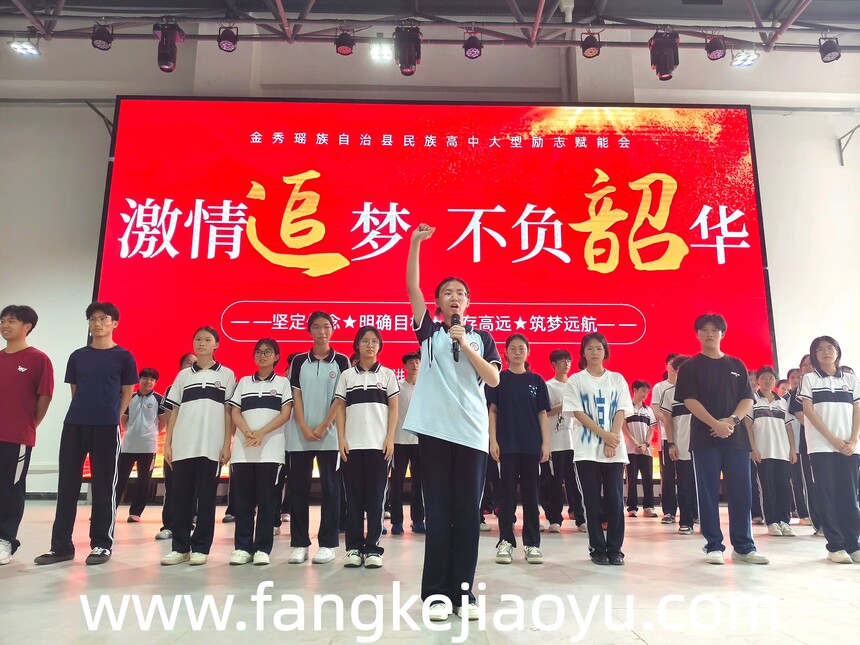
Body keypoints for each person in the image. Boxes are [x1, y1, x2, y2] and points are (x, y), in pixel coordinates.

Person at [403, 223, 501, 622]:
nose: (454, 297)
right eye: (447, 293)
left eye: (460, 292)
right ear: (438, 304)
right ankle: (436, 596)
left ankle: (464, 593)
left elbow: (493, 378)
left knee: (467, 517)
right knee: (439, 515)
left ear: (468, 302)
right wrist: (415, 244)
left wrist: (464, 343)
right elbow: (412, 287)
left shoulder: (481, 338)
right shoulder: (428, 333)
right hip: (435, 433)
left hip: (472, 435)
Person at [35, 302, 137, 567]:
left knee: (104, 485)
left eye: (103, 318)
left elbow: (127, 392)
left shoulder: (124, 357)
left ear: (114, 323)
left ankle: (102, 544)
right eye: (93, 319)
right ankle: (61, 547)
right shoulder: (78, 356)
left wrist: (113, 416)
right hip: (75, 424)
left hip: (106, 427)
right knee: (67, 485)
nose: (97, 323)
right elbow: (75, 391)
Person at [673, 313, 767, 565]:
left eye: (714, 330)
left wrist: (732, 421)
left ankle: (744, 547)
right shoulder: (690, 367)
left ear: (722, 334)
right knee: (707, 493)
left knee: (741, 493)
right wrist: (715, 424)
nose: (709, 334)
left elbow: (747, 398)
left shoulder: (736, 364)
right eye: (704, 330)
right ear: (697, 334)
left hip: (736, 439)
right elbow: (689, 400)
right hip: (705, 439)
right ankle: (713, 545)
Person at [160, 326, 236, 566]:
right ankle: (180, 547)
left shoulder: (227, 375)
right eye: (198, 339)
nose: (202, 343)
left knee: (206, 499)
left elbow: (229, 412)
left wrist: (227, 444)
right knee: (181, 499)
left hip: (211, 446)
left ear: (217, 345)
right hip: (183, 446)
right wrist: (168, 444)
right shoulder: (183, 376)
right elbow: (174, 411)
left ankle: (201, 547)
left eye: (207, 340)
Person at [563, 332, 634, 566]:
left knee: (615, 501)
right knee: (591, 502)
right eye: (590, 348)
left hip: (614, 450)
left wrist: (612, 439)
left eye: (599, 348)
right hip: (587, 450)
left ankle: (615, 549)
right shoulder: (576, 380)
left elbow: (621, 410)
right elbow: (578, 413)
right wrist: (605, 436)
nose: (594, 352)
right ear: (583, 352)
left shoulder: (617, 379)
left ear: (605, 352)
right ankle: (597, 549)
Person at [288, 312, 350, 565]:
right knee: (298, 490)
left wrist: (325, 425)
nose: (322, 331)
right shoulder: (299, 361)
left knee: (331, 490)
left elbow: (341, 398)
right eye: (316, 327)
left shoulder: (342, 361)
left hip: (330, 436)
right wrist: (303, 425)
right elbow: (295, 395)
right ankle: (299, 543)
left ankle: (327, 544)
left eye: (326, 326)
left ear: (333, 329)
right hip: (299, 436)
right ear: (309, 331)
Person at [335, 326, 399, 569]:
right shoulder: (347, 376)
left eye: (374, 341)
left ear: (380, 346)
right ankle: (353, 548)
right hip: (352, 446)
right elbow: (340, 409)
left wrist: (390, 438)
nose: (370, 345)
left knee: (376, 500)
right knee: (353, 500)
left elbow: (394, 409)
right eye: (365, 341)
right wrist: (341, 439)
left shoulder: (388, 375)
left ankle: (373, 548)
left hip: (378, 446)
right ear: (357, 345)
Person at [227, 338, 292, 566]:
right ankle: (242, 547)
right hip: (243, 451)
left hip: (270, 453)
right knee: (243, 502)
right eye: (258, 352)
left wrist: (261, 433)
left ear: (276, 357)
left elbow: (286, 413)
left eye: (267, 352)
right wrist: (247, 432)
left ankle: (263, 548)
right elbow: (235, 411)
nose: (262, 355)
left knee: (267, 502)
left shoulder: (283, 383)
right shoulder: (244, 382)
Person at [488, 334, 550, 565]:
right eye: (512, 348)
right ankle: (505, 541)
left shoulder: (536, 380)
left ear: (528, 352)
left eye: (521, 348)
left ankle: (532, 544)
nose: (517, 352)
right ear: (505, 353)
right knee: (506, 497)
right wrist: (493, 440)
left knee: (531, 497)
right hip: (507, 445)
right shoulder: (498, 379)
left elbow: (542, 414)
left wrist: (546, 443)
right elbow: (492, 411)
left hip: (531, 446)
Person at [0, 305, 54, 565]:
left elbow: (45, 396)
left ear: (27, 327)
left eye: (11, 321)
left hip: (16, 436)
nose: (5, 325)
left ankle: (6, 540)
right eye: (3, 320)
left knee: (10, 489)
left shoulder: (38, 359)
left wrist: (30, 425)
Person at [799, 336, 860, 564]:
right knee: (827, 494)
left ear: (837, 351)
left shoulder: (851, 379)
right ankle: (835, 546)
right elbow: (809, 412)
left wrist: (853, 440)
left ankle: (853, 544)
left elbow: (857, 411)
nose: (826, 352)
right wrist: (833, 440)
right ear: (814, 355)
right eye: (820, 349)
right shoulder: (809, 379)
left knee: (849, 496)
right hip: (821, 446)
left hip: (849, 447)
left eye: (830, 348)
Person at [746, 366, 796, 538]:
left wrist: (792, 449)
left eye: (771, 378)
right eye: (764, 378)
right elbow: (748, 426)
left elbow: (788, 427)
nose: (767, 381)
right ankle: (772, 521)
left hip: (782, 451)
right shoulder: (752, 400)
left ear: (775, 381)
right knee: (766, 488)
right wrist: (753, 448)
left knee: (783, 487)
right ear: (757, 381)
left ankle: (785, 521)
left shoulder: (782, 402)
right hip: (763, 452)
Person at [544, 349, 586, 533]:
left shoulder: (575, 386)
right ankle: (555, 519)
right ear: (553, 364)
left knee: (575, 483)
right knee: (554, 483)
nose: (566, 364)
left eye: (568, 361)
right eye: (562, 361)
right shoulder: (548, 386)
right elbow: (544, 412)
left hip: (573, 443)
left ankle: (581, 518)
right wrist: (562, 406)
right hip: (554, 442)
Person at [116, 368, 165, 523]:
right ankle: (109, 509)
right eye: (145, 378)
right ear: (139, 379)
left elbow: (163, 421)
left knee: (143, 481)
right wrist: (132, 431)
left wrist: (151, 433)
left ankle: (136, 512)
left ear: (155, 382)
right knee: (119, 479)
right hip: (128, 446)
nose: (148, 382)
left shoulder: (159, 399)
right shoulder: (130, 397)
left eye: (152, 379)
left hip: (148, 447)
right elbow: (124, 419)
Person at [155, 352, 196, 541]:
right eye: (187, 362)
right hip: (177, 444)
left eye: (194, 363)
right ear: (180, 367)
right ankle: (169, 525)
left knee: (194, 487)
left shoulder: (206, 387)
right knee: (172, 486)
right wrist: (169, 443)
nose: (191, 365)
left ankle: (190, 524)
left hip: (198, 444)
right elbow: (168, 416)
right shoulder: (173, 388)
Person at [660, 355, 696, 534]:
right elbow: (667, 421)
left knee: (704, 485)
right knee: (684, 485)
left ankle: (703, 518)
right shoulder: (669, 393)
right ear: (675, 371)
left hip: (704, 447)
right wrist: (671, 444)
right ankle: (686, 521)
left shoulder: (702, 390)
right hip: (681, 446)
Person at [390, 350, 424, 535]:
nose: (415, 365)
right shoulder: (398, 387)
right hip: (399, 440)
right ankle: (396, 522)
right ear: (405, 366)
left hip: (419, 441)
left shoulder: (426, 387)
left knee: (419, 483)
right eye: (411, 363)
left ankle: (418, 520)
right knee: (397, 482)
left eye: (417, 362)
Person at [788, 356, 819, 531]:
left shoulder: (822, 385)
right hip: (809, 442)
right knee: (811, 483)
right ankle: (818, 523)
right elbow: (799, 415)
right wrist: (821, 429)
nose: (807, 368)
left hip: (832, 442)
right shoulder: (796, 393)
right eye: (804, 365)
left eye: (810, 365)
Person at [274, 352, 300, 536]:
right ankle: (273, 520)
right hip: (278, 443)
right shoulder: (280, 385)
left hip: (298, 443)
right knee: (275, 484)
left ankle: (289, 513)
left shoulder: (305, 387)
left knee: (296, 484)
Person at [623, 381, 658, 519]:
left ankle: (648, 507)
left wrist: (645, 444)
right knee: (631, 479)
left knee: (648, 479)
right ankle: (632, 508)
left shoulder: (648, 410)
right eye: (643, 390)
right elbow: (624, 427)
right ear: (635, 390)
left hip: (646, 450)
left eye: (647, 392)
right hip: (630, 450)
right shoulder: (626, 408)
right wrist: (636, 443)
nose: (645, 394)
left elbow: (651, 429)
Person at [651, 353, 679, 525]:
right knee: (668, 476)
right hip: (667, 438)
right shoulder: (659, 387)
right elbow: (656, 409)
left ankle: (692, 512)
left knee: (688, 476)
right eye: (671, 363)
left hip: (686, 437)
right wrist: (670, 422)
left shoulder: (688, 386)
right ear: (666, 366)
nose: (674, 367)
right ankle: (669, 511)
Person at [783, 367, 809, 522]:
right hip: (791, 445)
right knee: (796, 480)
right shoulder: (784, 399)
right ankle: (802, 513)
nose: (796, 380)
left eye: (799, 377)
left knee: (808, 481)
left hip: (807, 443)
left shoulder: (807, 396)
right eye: (792, 377)